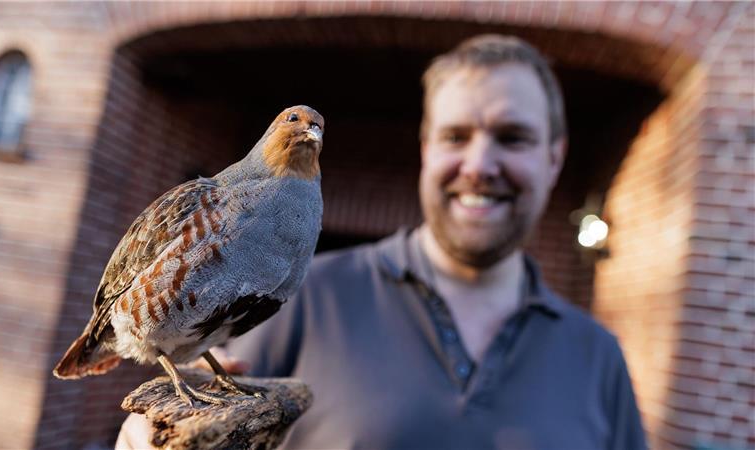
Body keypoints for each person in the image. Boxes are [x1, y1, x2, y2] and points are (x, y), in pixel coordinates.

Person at [117, 34, 647, 450]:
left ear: (555, 157)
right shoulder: (313, 293)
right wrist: (154, 433)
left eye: (513, 137)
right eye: (456, 135)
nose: (481, 166)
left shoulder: (601, 358)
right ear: (425, 147)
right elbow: (204, 407)